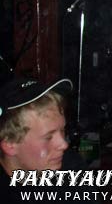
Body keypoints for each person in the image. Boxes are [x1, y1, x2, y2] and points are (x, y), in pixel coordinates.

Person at [0, 76, 96, 204]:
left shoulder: (71, 168)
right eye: (48, 137)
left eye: (62, 130)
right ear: (10, 144)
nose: (64, 144)